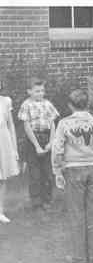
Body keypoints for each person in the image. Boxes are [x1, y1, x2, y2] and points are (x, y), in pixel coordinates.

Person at [52, 89, 93, 263]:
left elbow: (58, 150)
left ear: (70, 105)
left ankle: (80, 257)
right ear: (87, 104)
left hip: (73, 169)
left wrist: (57, 171)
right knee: (92, 212)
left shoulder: (65, 123)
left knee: (77, 213)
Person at [18, 77, 59, 210]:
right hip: (33, 140)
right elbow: (27, 127)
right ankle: (36, 202)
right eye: (36, 91)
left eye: (42, 91)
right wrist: (37, 146)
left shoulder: (48, 104)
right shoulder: (26, 105)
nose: (40, 94)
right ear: (29, 91)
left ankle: (47, 200)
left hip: (47, 138)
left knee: (47, 172)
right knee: (35, 173)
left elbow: (53, 123)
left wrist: (51, 142)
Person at [0, 95, 19, 223]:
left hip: (3, 141)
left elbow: (11, 125)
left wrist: (14, 148)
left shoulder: (6, 101)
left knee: (2, 179)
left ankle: (0, 211)